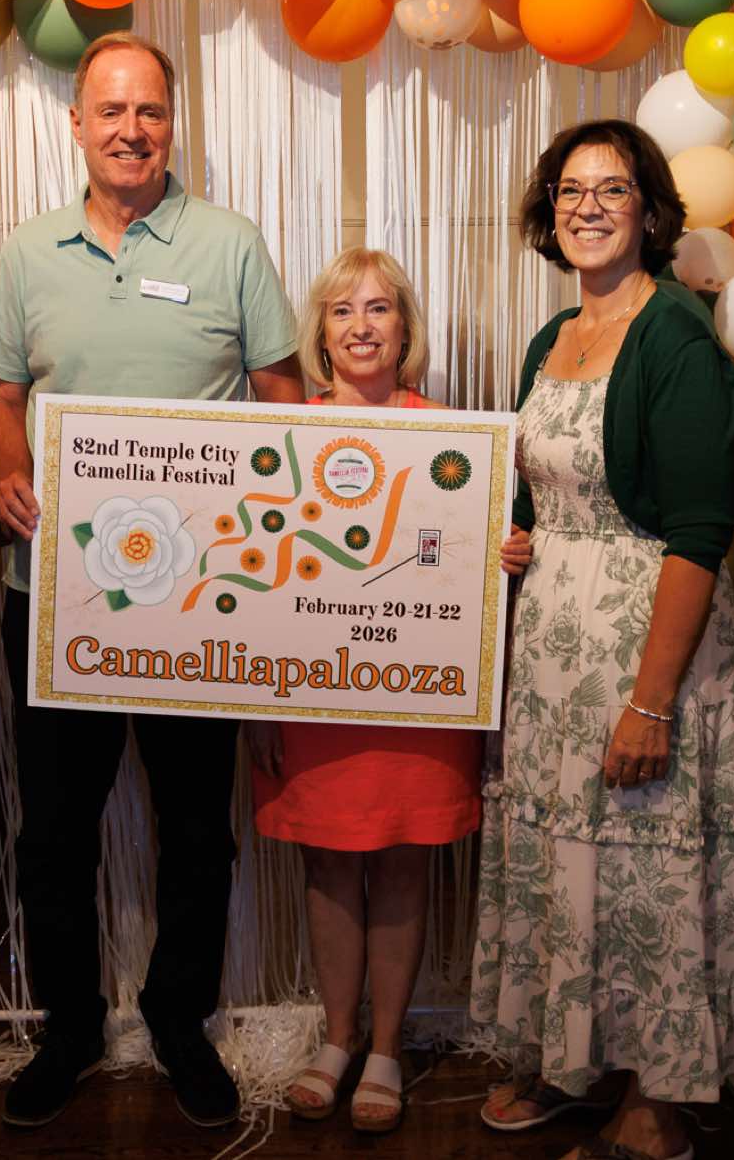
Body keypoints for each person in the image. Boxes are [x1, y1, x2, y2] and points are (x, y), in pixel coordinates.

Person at [0, 31, 303, 1130]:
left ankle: (177, 1019)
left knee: (197, 829)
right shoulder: (30, 252)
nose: (130, 130)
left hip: (199, 601)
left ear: (172, 124)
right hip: (54, 595)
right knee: (54, 831)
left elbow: (282, 396)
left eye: (149, 110)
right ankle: (69, 1027)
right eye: (110, 111)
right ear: (76, 125)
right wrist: (8, 469)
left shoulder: (229, 242)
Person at [468, 120, 734, 1160]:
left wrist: (651, 701)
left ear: (649, 211)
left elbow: (698, 532)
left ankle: (658, 1097)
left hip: (644, 651)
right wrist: (518, 539)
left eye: (611, 188)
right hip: (554, 660)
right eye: (569, 189)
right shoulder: (551, 335)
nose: (587, 206)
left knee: (647, 870)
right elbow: (542, 490)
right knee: (574, 868)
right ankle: (580, 1062)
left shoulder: (674, 335)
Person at [241, 248, 484, 1133]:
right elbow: (253, 573)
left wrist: (505, 551)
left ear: (404, 327)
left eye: (379, 308)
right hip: (312, 700)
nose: (361, 326)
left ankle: (386, 1048)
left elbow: (467, 562)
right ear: (319, 334)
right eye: (343, 310)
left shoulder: (456, 438)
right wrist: (258, 699)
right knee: (329, 862)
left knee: (405, 859)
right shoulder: (281, 436)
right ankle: (337, 1038)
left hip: (418, 697)